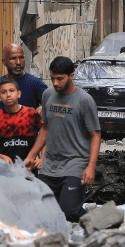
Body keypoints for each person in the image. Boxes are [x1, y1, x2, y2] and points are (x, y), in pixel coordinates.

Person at [23, 56, 101, 222]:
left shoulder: (84, 100)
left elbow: (96, 135)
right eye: (52, 78)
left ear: (71, 76)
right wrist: (31, 157)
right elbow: (45, 129)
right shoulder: (47, 95)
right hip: (50, 165)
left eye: (60, 79)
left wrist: (91, 167)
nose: (56, 83)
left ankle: (102, 223)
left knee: (69, 210)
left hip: (75, 163)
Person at [0, 44, 47, 132]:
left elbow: (53, 104)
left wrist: (44, 107)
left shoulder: (36, 84)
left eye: (21, 57)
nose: (18, 62)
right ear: (4, 61)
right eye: (13, 58)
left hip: (29, 141)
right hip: (3, 141)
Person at [0, 77, 43, 168]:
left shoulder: (31, 114)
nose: (8, 95)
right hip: (5, 170)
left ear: (18, 94)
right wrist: (1, 157)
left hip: (29, 169)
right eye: (4, 92)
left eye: (11, 90)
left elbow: (45, 136)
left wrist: (42, 158)